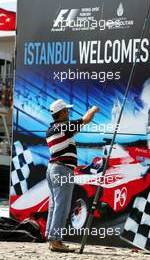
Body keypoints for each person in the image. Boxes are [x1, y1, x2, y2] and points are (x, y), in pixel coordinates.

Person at [45, 99, 99, 252]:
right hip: (62, 169)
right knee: (61, 206)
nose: (68, 113)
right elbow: (85, 119)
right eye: (66, 111)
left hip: (52, 169)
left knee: (54, 206)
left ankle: (51, 238)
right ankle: (56, 241)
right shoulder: (64, 126)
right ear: (61, 113)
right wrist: (94, 109)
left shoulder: (52, 129)